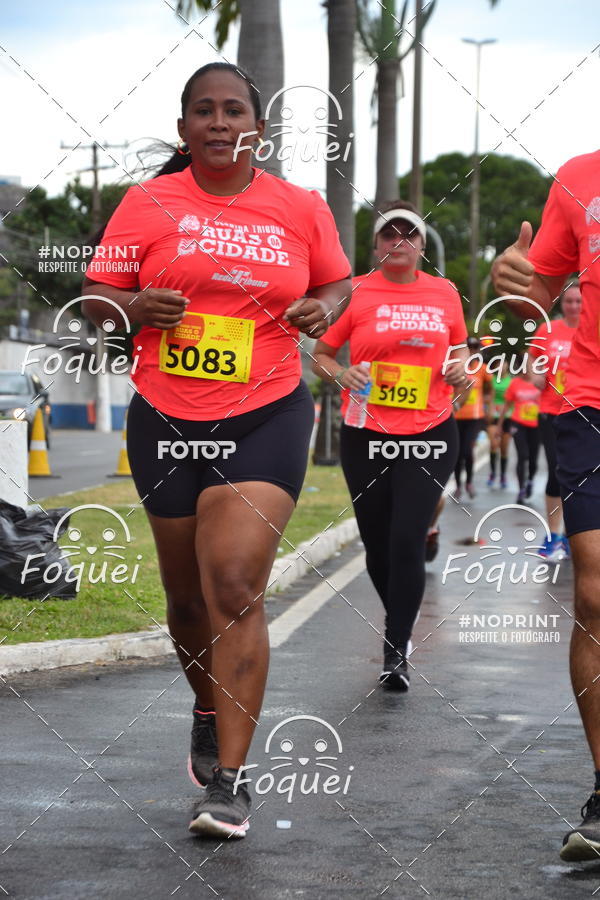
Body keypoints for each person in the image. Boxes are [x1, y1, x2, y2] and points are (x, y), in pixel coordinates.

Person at [82, 62, 351, 839]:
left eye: (235, 110)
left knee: (233, 584)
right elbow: (98, 299)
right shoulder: (149, 202)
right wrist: (132, 303)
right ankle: (207, 707)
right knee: (188, 602)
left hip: (266, 409)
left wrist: (319, 308)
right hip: (166, 413)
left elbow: (340, 285)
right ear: (184, 129)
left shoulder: (299, 207)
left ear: (257, 129)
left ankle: (229, 783)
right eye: (205, 111)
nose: (221, 122)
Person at [312, 200, 470, 691]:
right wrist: (342, 373)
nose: (397, 242)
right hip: (366, 436)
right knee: (378, 548)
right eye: (388, 235)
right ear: (376, 245)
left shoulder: (444, 292)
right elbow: (320, 355)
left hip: (430, 432)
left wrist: (461, 370)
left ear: (422, 246)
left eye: (408, 235)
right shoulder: (356, 292)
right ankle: (398, 612)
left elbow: (461, 347)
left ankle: (396, 647)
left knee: (406, 540)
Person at [492, 148, 600, 861]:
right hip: (590, 404)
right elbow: (539, 287)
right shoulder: (580, 175)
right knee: (594, 594)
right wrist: (515, 279)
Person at [528, 282, 582, 559]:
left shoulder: (592, 330)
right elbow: (532, 358)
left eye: (578, 301)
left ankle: (578, 536)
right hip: (551, 412)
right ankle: (552, 536)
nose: (573, 306)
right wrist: (535, 374)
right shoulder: (548, 330)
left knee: (583, 476)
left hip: (585, 413)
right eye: (569, 301)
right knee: (556, 472)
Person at [453, 337, 491, 500]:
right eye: (469, 347)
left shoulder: (482, 369)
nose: (472, 351)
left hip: (475, 417)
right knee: (457, 452)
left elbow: (489, 391)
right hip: (455, 416)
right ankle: (458, 486)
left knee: (466, 450)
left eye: (475, 348)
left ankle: (468, 482)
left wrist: (488, 408)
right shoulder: (455, 368)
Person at [498, 369, 541, 504]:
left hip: (536, 424)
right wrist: (500, 424)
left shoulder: (540, 381)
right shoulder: (515, 383)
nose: (526, 372)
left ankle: (530, 481)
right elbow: (507, 404)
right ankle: (521, 489)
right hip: (518, 423)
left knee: (533, 459)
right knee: (522, 455)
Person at [487, 360, 512, 489]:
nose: (501, 367)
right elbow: (491, 397)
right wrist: (490, 410)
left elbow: (514, 399)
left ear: (508, 366)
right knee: (493, 445)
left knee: (504, 448)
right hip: (495, 417)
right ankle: (492, 473)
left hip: (508, 416)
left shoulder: (511, 381)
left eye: (504, 364)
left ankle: (502, 475)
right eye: (499, 365)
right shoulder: (493, 380)